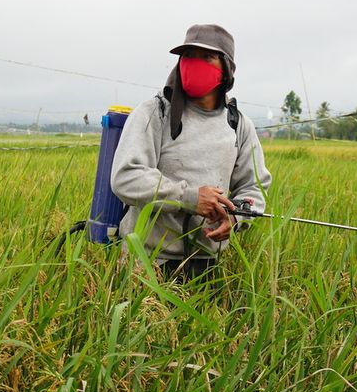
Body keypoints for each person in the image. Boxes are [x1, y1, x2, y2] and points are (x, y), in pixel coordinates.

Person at [111, 24, 272, 280]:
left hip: (206, 263)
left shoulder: (238, 125)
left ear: (226, 69)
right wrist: (189, 197)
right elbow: (126, 177)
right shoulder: (154, 113)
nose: (195, 64)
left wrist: (236, 217)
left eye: (206, 57)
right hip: (146, 260)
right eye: (188, 56)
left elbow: (254, 186)